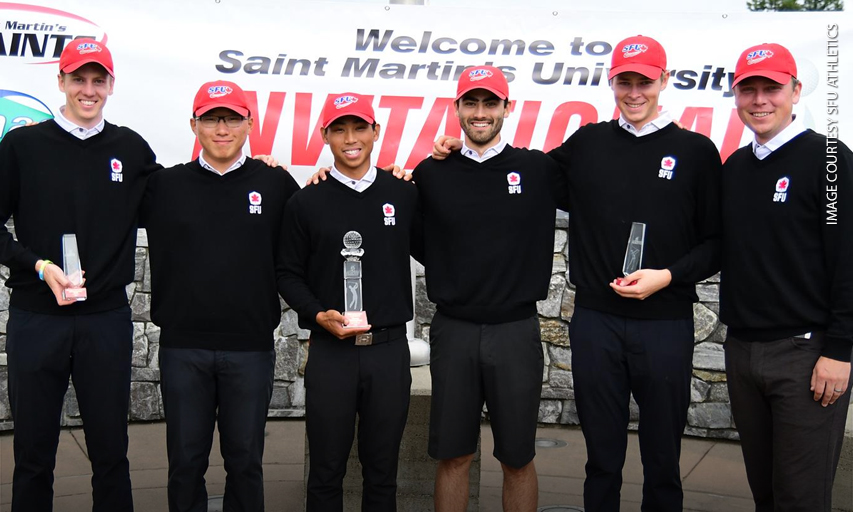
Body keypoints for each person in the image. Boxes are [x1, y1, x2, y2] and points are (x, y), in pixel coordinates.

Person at [434, 36, 722, 512]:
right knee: (601, 459)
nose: (634, 92)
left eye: (644, 82)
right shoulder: (588, 143)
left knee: (664, 460)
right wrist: (453, 149)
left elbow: (715, 245)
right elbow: (516, 173)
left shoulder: (695, 151)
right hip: (596, 322)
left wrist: (668, 276)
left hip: (666, 322)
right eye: (624, 81)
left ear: (663, 82)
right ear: (611, 83)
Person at [0, 39, 158, 511]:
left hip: (103, 320)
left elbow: (189, 200)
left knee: (111, 451)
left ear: (110, 85)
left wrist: (259, 168)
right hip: (36, 316)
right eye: (78, 79)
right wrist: (39, 265)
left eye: (97, 80)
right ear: (61, 81)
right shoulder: (23, 146)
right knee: (32, 452)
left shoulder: (130, 149)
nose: (88, 90)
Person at [140, 80, 299, 512]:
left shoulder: (276, 184)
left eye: (231, 117)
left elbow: (316, 229)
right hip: (183, 348)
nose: (222, 127)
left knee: (245, 462)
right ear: (194, 125)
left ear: (250, 122)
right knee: (185, 463)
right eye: (211, 118)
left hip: (249, 349)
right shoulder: (164, 186)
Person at [413, 65, 564, 512]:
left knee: (518, 457)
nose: (481, 113)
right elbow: (413, 236)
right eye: (471, 103)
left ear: (507, 107)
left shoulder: (538, 169)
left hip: (515, 330)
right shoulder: (432, 172)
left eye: (490, 103)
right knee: (454, 455)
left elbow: (606, 185)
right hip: (454, 330)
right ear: (457, 108)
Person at [720, 42, 852, 512]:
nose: (760, 100)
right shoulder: (735, 168)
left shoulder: (830, 159)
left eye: (771, 89)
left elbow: (848, 259)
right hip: (743, 350)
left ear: (795, 91)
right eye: (748, 90)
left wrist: (839, 350)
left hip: (806, 355)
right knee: (767, 493)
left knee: (801, 498)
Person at [278, 92, 417, 511]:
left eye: (359, 127)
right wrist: (316, 313)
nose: (350, 138)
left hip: (388, 352)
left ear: (376, 132)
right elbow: (287, 272)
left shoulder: (404, 193)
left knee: (382, 473)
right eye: (339, 129)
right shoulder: (306, 201)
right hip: (331, 353)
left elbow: (441, 247)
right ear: (324, 135)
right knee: (325, 472)